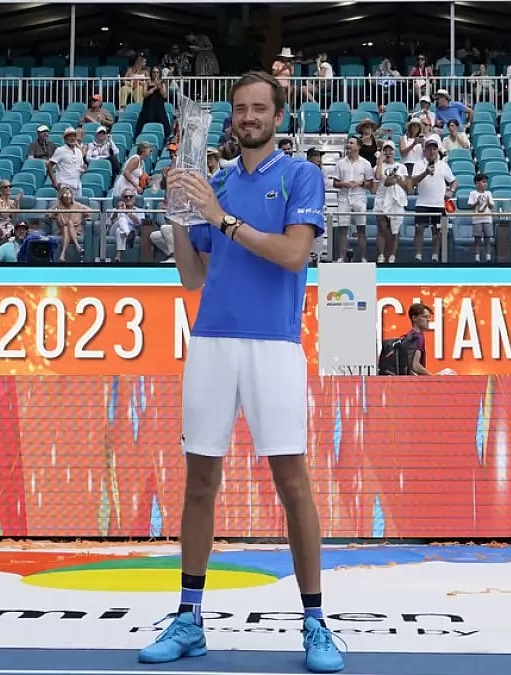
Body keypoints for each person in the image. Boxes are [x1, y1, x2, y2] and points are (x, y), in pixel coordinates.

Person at [138, 70, 343, 674]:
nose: (248, 117)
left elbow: (291, 254)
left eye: (259, 108)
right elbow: (192, 276)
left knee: (293, 484)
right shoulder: (216, 181)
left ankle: (315, 621)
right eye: (241, 109)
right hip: (212, 344)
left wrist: (220, 217)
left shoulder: (300, 175)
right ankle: (188, 617)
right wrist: (179, 211)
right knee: (199, 483)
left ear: (277, 117)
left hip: (274, 346)